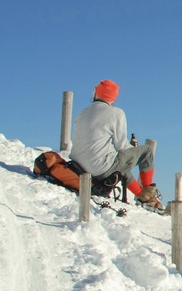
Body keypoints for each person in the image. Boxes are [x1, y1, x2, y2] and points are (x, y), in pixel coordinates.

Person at [70, 80, 163, 210]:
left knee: (119, 165)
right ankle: (149, 195)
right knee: (146, 151)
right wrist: (134, 150)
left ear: (95, 92)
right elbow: (121, 145)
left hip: (77, 165)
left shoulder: (82, 113)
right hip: (98, 169)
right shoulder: (116, 113)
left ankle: (142, 196)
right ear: (114, 98)